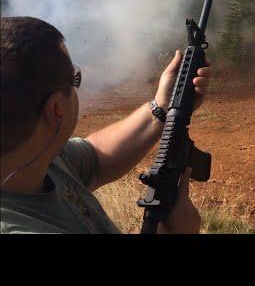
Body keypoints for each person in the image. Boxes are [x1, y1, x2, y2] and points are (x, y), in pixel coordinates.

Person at [0, 16, 212, 234]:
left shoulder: (35, 157)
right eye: (75, 80)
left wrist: (162, 106)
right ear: (56, 108)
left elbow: (96, 157)